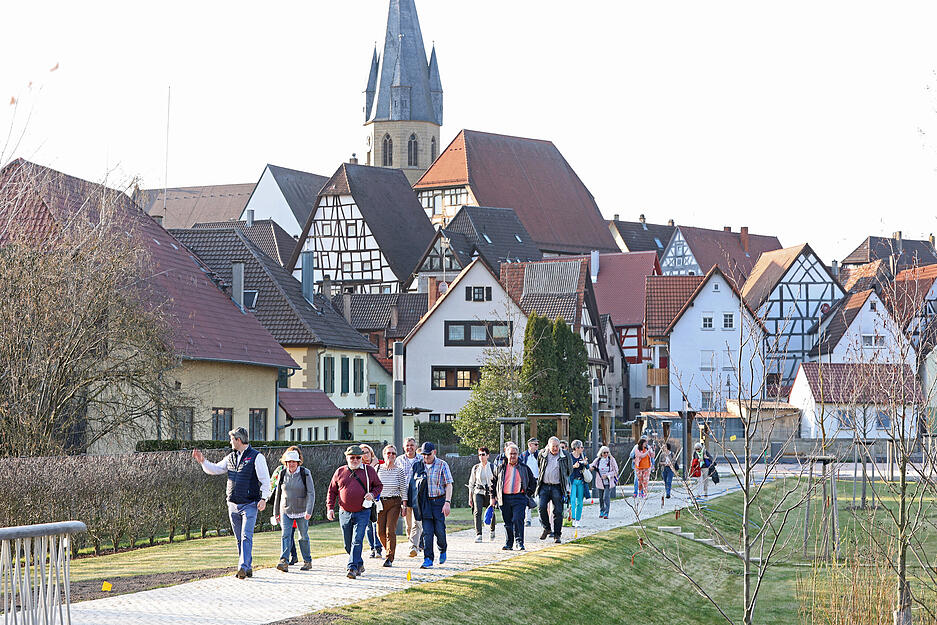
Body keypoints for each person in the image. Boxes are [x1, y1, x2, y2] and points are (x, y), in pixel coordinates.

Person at [192, 428, 271, 579]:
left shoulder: (257, 457)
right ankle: (247, 567)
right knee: (239, 538)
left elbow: (265, 480)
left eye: (232, 439)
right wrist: (203, 461)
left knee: (246, 536)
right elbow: (215, 469)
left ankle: (242, 566)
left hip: (250, 504)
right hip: (233, 504)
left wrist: (264, 498)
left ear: (238, 440)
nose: (230, 442)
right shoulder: (230, 457)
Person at [326, 445, 383, 579]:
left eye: (358, 457)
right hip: (344, 512)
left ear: (362, 458)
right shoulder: (340, 471)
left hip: (363, 511)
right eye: (352, 457)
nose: (355, 460)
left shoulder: (369, 471)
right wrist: (330, 508)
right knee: (347, 544)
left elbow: (379, 486)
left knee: (357, 540)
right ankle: (359, 563)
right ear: (347, 458)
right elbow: (332, 492)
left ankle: (351, 568)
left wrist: (372, 494)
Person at [404, 442, 453, 569]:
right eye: (424, 455)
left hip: (439, 502)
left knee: (440, 531)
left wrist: (447, 502)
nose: (426, 457)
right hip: (424, 503)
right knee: (427, 532)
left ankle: (442, 549)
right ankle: (428, 558)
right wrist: (409, 504)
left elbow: (449, 484)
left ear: (434, 452)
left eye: (428, 454)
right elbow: (412, 486)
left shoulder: (442, 465)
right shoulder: (418, 466)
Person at [273, 449, 315, 572]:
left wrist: (309, 510)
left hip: (302, 510)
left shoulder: (305, 473)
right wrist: (276, 512)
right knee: (285, 535)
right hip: (285, 509)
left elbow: (311, 493)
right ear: (285, 463)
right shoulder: (282, 473)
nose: (291, 464)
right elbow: (278, 494)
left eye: (294, 462)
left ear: (298, 462)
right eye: (289, 462)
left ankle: (307, 561)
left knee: (303, 536)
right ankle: (283, 561)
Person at [491, 443, 536, 551]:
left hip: (519, 498)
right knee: (507, 522)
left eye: (515, 454)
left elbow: (533, 482)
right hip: (504, 498)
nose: (512, 456)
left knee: (518, 519)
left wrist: (527, 494)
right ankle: (509, 543)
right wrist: (493, 497)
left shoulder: (524, 468)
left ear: (518, 455)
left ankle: (519, 542)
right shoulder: (501, 468)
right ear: (506, 454)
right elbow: (493, 483)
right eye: (510, 454)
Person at [269, 445, 303, 564]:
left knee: (289, 532)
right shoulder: (280, 470)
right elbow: (272, 485)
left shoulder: (301, 472)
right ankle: (292, 555)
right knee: (286, 532)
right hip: (282, 505)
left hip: (296, 507)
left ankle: (290, 556)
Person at [376, 444, 407, 567]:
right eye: (388, 453)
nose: (391, 456)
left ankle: (389, 557)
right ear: (384, 455)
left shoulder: (399, 470)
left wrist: (404, 505)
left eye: (393, 453)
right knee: (380, 533)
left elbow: (403, 488)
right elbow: (373, 485)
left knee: (390, 530)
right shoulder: (377, 468)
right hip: (380, 503)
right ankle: (388, 549)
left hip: (394, 502)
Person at [537, 436, 571, 543]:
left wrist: (563, 479)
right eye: (553, 446)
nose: (555, 448)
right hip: (544, 485)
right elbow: (540, 466)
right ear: (549, 446)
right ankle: (547, 528)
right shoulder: (543, 454)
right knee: (541, 507)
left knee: (558, 511)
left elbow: (569, 470)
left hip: (557, 486)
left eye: (557, 446)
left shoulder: (565, 455)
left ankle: (557, 535)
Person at [398, 437, 423, 558]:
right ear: (404, 447)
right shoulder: (399, 460)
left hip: (417, 494)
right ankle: (412, 542)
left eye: (412, 445)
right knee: (408, 524)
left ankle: (414, 546)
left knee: (417, 522)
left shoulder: (421, 459)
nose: (409, 447)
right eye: (407, 445)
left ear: (416, 446)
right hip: (404, 494)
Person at [468, 446, 497, 542]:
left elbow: (497, 482)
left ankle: (492, 530)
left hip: (490, 492)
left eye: (483, 454)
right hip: (478, 492)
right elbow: (471, 483)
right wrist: (470, 497)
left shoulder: (493, 467)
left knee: (491, 512)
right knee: (477, 512)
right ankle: (479, 534)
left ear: (488, 455)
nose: (481, 457)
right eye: (479, 455)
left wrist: (496, 496)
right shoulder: (475, 468)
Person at [359, 444, 383, 559]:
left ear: (371, 453)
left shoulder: (380, 464)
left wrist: (374, 465)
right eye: (362, 452)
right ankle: (372, 548)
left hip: (377, 498)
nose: (365, 454)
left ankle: (378, 547)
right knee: (368, 526)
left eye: (367, 452)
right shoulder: (359, 467)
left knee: (376, 524)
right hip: (364, 499)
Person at [590, 446, 619, 519]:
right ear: (601, 453)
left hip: (608, 482)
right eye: (604, 453)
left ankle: (606, 512)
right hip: (600, 482)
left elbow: (616, 470)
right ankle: (601, 510)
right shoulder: (598, 460)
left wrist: (607, 475)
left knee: (606, 497)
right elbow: (592, 465)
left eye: (607, 452)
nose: (606, 454)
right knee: (601, 498)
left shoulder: (611, 460)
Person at [568, 440, 589, 527]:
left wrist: (585, 463)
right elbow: (566, 468)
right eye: (581, 447)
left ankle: (578, 519)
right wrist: (573, 466)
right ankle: (573, 519)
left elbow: (587, 467)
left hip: (581, 481)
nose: (582, 449)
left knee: (580, 501)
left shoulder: (583, 456)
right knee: (572, 500)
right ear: (576, 448)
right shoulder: (569, 457)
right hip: (572, 481)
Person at [520, 438, 540, 526]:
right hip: (527, 480)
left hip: (537, 480)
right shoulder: (524, 455)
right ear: (530, 445)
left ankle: (541, 519)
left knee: (539, 500)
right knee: (527, 499)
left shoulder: (539, 455)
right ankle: (527, 519)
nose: (537, 446)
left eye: (537, 444)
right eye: (535, 444)